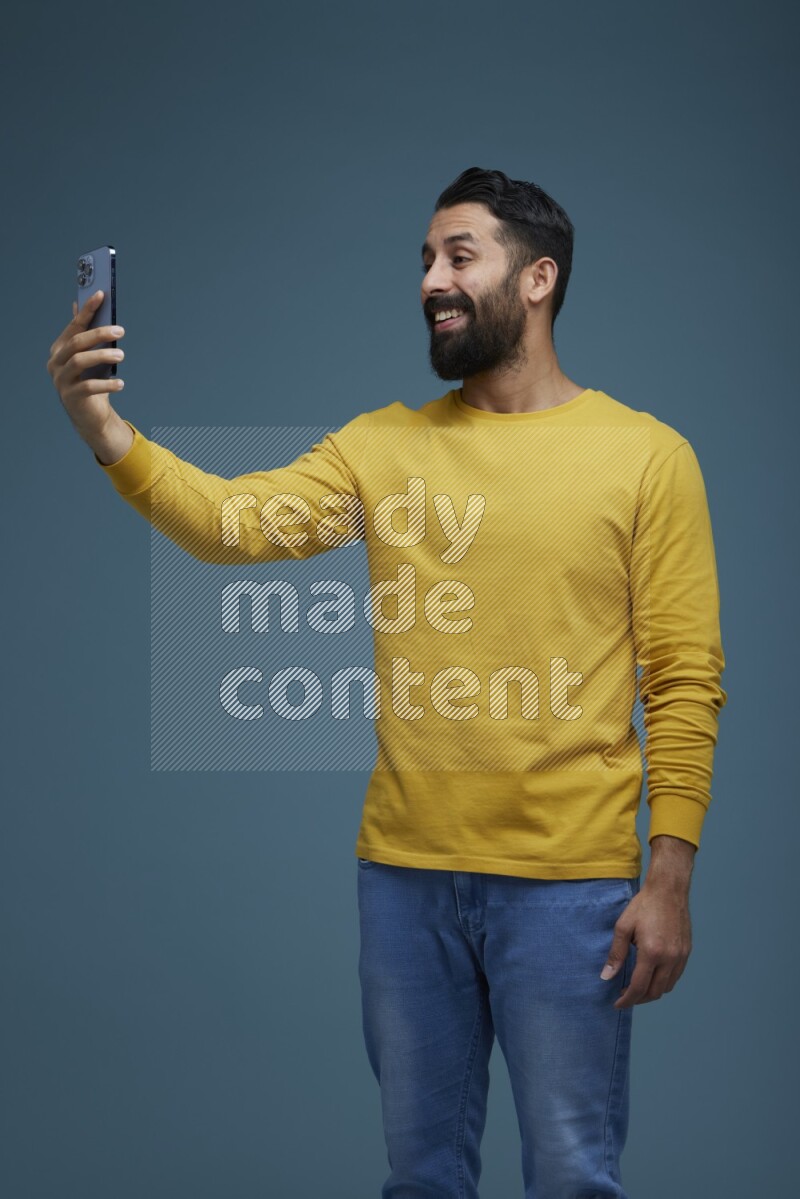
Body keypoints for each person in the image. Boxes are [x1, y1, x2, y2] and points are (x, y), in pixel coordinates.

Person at [47, 166, 727, 1198]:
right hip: (404, 882)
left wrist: (666, 876)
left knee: (574, 1177)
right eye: (423, 260)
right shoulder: (383, 444)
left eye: (459, 254)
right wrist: (104, 432)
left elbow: (683, 675)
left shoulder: (646, 456)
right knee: (420, 1180)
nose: (431, 279)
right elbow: (234, 523)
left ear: (537, 277)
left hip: (572, 888)